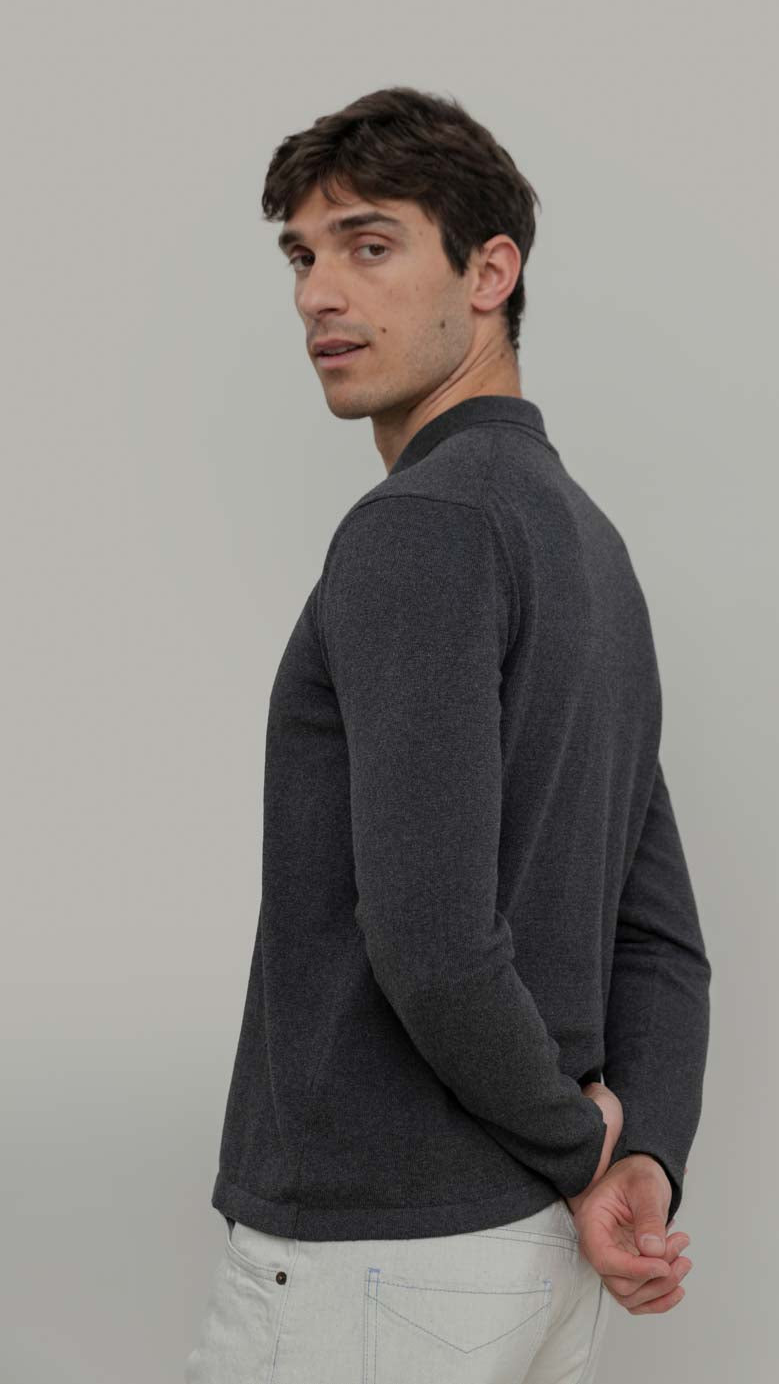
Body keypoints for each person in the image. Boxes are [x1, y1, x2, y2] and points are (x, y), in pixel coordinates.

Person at [184, 85, 711, 1384]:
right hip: (530, 1264)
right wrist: (635, 1158)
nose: (318, 294)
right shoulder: (588, 547)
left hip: (379, 1261)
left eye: (369, 246)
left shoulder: (421, 524)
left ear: (489, 273)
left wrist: (584, 1151)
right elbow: (659, 940)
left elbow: (430, 936)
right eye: (301, 256)